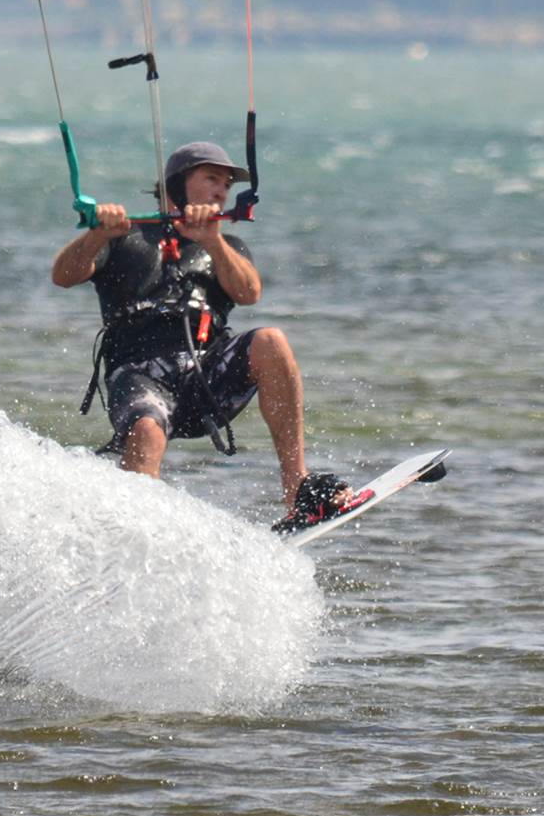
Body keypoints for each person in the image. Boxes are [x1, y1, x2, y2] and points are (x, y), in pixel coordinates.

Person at [51, 141, 359, 532]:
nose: (221, 191)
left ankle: (297, 489)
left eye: (226, 185)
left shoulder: (227, 247)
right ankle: (132, 531)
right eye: (211, 179)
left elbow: (248, 293)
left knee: (271, 341)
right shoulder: (122, 239)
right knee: (146, 431)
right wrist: (96, 235)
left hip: (205, 378)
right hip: (139, 376)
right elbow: (63, 276)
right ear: (177, 185)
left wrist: (211, 240)